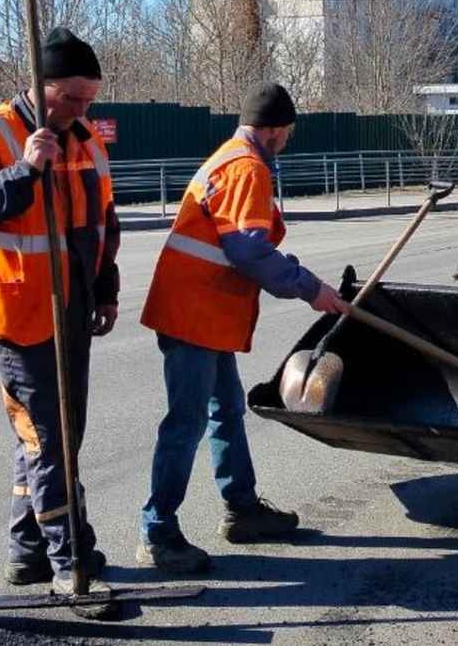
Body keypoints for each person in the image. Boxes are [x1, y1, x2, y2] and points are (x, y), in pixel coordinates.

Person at [136, 82, 349, 573]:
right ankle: (157, 532)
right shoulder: (248, 168)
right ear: (275, 130)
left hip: (204, 314)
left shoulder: (231, 156)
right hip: (194, 315)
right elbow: (248, 249)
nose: (288, 141)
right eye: (289, 133)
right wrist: (309, 288)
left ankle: (242, 509)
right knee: (186, 423)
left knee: (226, 411)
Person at [0, 28, 120, 601]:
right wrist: (23, 172)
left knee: (50, 436)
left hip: (71, 308)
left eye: (90, 98)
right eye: (72, 98)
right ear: (42, 86)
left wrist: (106, 288)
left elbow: (103, 220)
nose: (83, 110)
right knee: (51, 437)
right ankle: (73, 560)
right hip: (18, 314)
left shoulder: (86, 135)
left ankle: (26, 555)